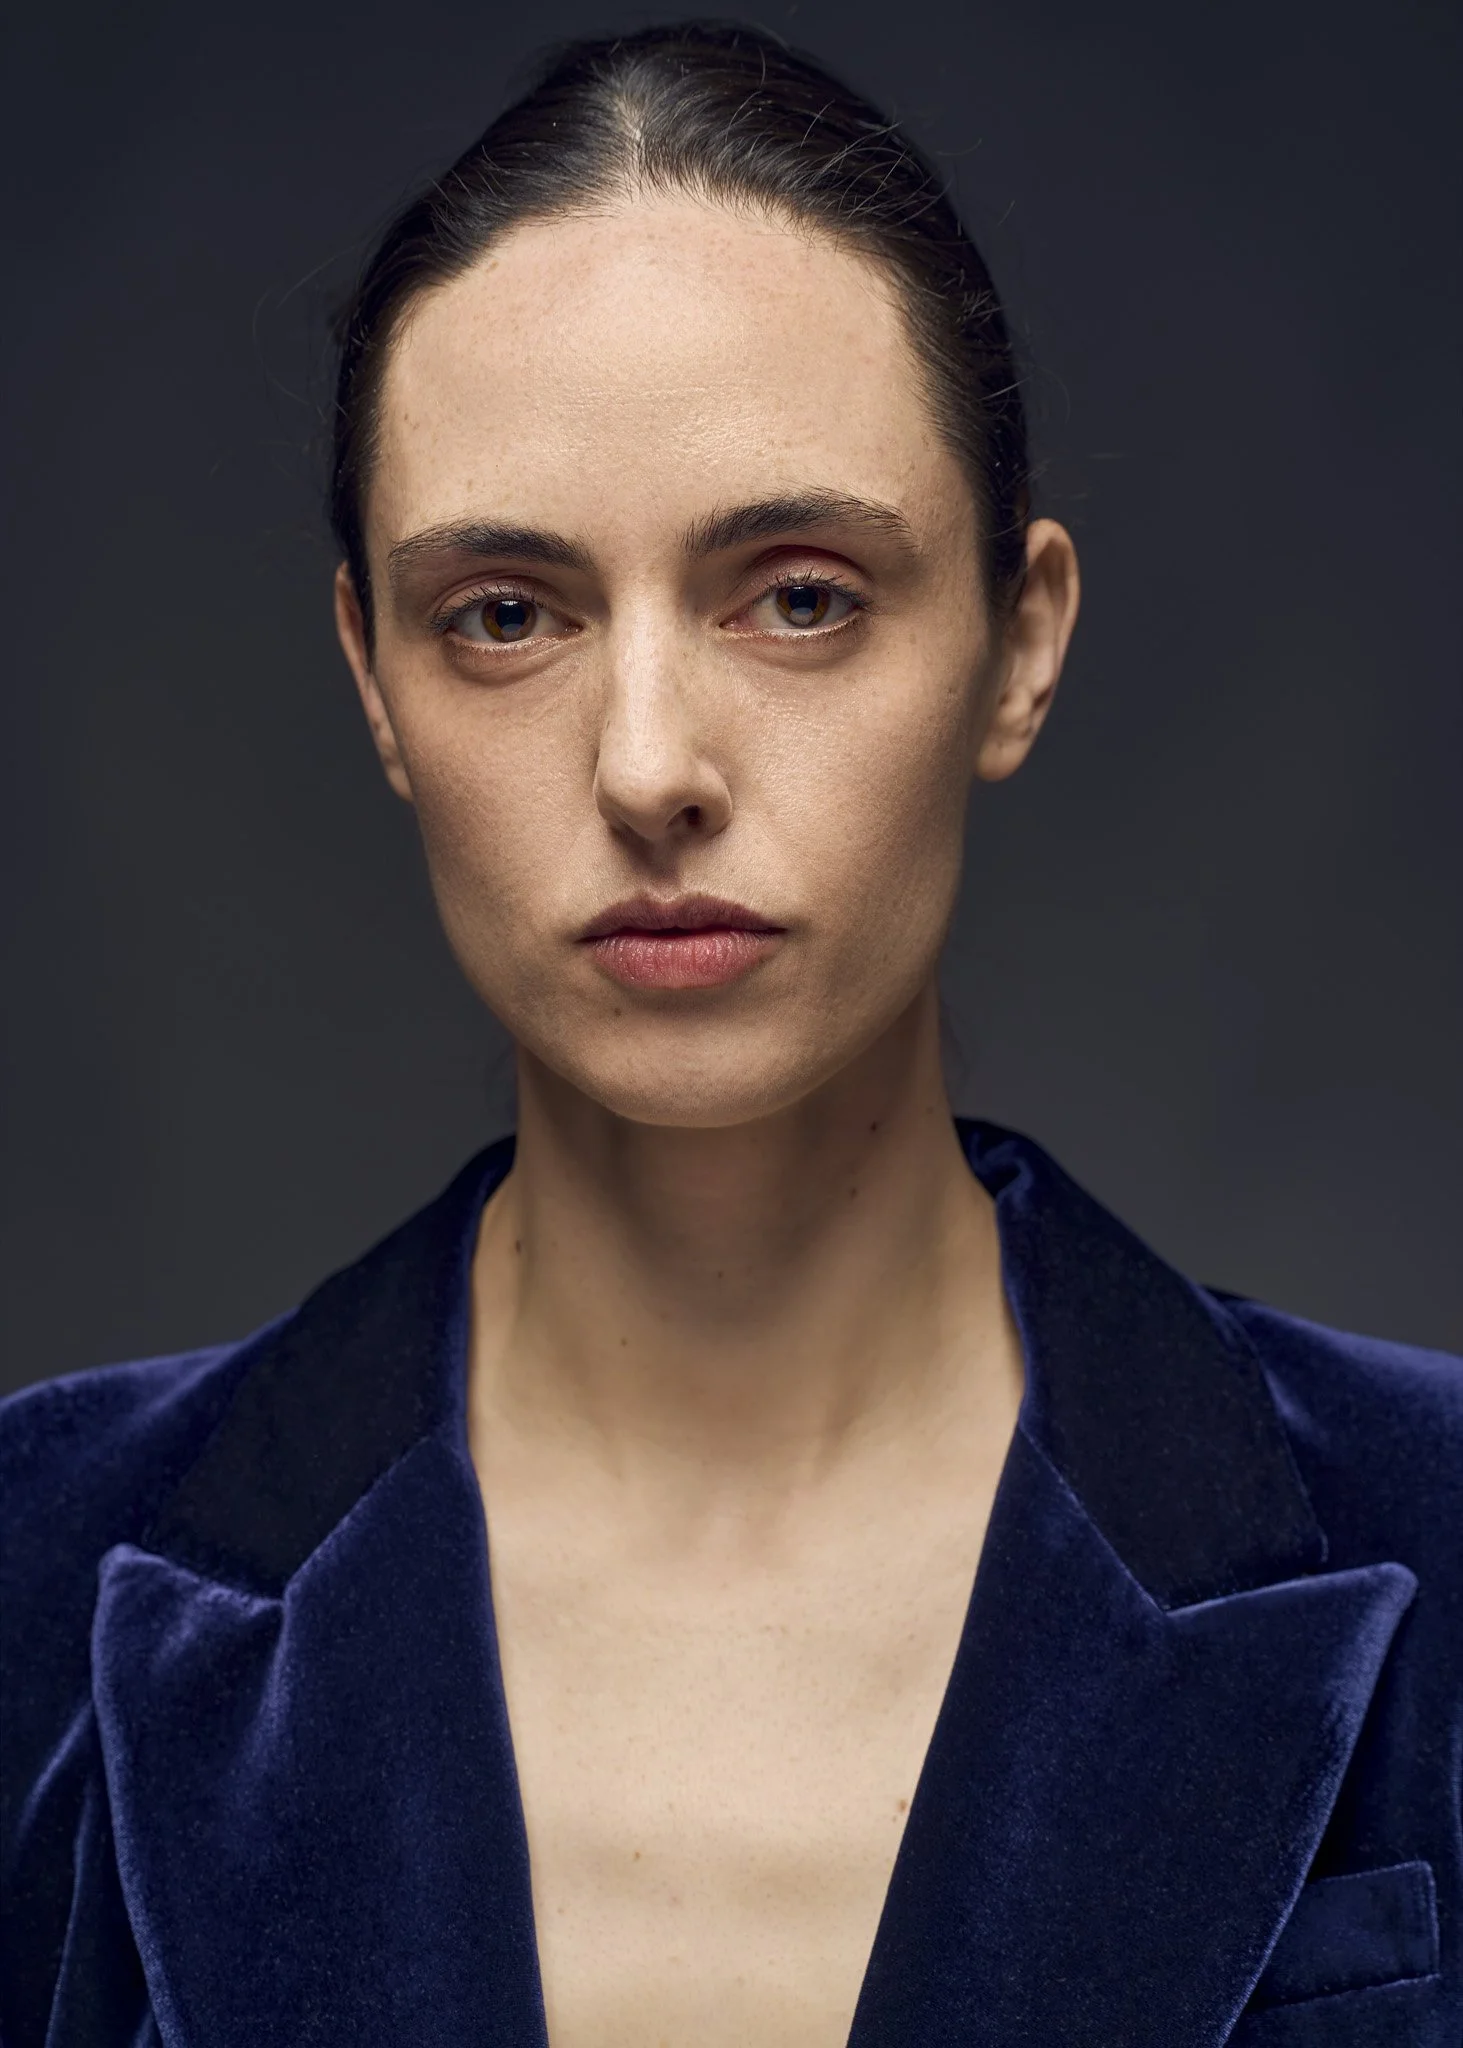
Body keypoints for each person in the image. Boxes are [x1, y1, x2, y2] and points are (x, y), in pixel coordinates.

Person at [2, 21, 1458, 2046]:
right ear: (370, 673)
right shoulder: (35, 1570)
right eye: (506, 613)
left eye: (794, 596)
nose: (650, 765)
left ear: (1016, 642)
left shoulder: (1430, 1528)